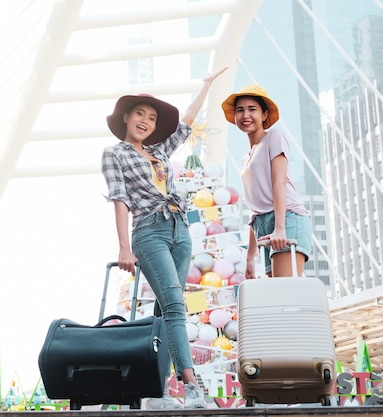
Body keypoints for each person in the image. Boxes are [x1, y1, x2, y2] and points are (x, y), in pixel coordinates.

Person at [101, 67, 227, 409]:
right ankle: (191, 386)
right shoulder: (115, 154)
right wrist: (124, 247)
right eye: (140, 113)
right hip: (149, 232)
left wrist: (206, 85)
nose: (145, 121)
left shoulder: (158, 152)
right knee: (175, 306)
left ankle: (158, 391)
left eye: (152, 118)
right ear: (126, 117)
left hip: (180, 231)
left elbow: (185, 122)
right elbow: (120, 198)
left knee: (163, 314)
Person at [221, 84, 312, 278]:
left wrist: (280, 228)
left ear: (264, 115)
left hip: (286, 218)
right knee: (275, 296)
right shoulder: (245, 159)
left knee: (285, 293)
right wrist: (249, 258)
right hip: (264, 226)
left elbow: (279, 183)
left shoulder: (274, 137)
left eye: (252, 109)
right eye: (240, 110)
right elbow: (256, 212)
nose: (245, 115)